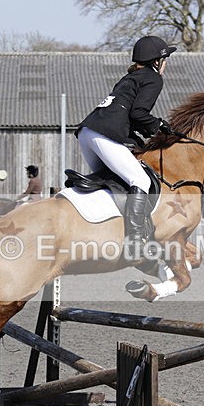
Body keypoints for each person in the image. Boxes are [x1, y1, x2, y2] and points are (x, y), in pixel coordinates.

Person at [76, 35, 177, 259]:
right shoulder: (153, 78)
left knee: (114, 182)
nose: (166, 64)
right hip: (104, 134)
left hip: (87, 132)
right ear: (156, 61)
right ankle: (135, 242)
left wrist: (142, 137)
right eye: (165, 59)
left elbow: (128, 116)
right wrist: (159, 125)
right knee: (140, 180)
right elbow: (138, 113)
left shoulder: (129, 77)